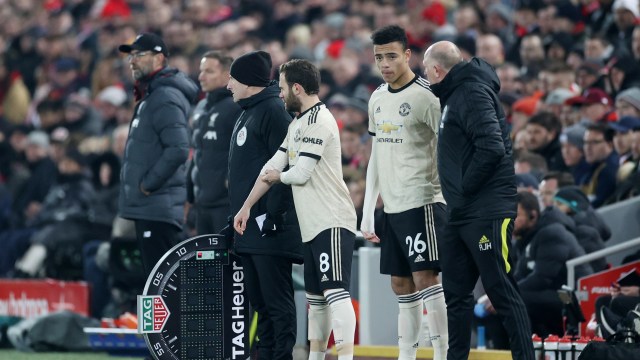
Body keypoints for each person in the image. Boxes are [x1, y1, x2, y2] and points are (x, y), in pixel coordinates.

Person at [234, 59, 357, 360]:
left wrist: (278, 177)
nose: (279, 93)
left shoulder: (321, 121)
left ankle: (346, 357)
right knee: (315, 301)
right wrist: (247, 207)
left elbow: (299, 173)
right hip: (312, 224)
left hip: (333, 219)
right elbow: (271, 166)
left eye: (283, 87)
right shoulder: (297, 124)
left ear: (298, 88)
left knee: (336, 294)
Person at [422, 41, 535, 360]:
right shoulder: (456, 94)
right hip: (461, 213)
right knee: (456, 297)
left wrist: (463, 189)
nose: (424, 77)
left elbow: (492, 147)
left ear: (436, 70)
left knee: (501, 290)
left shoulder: (471, 92)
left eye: (425, 71)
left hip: (485, 210)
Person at [360, 25, 448, 360]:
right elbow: (377, 155)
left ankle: (442, 355)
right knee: (401, 286)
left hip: (423, 201)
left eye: (391, 56)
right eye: (379, 57)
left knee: (426, 278)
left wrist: (446, 196)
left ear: (408, 55)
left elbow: (447, 148)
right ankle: (407, 356)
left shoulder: (426, 96)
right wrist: (369, 208)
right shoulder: (377, 97)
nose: (384, 63)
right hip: (393, 207)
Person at [226, 51, 303, 360]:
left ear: (248, 81)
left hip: (270, 229)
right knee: (259, 302)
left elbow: (285, 169)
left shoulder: (273, 111)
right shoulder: (248, 111)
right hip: (250, 227)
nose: (228, 84)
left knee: (277, 302)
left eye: (233, 77)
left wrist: (273, 216)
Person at [117, 33, 198, 274]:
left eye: (139, 55)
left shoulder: (165, 96)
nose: (132, 60)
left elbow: (179, 148)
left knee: (163, 286)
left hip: (158, 205)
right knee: (158, 282)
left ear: (159, 58)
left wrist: (148, 184)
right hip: (151, 206)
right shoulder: (153, 94)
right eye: (131, 55)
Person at [512, 192, 593, 337]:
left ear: (533, 215)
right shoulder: (524, 238)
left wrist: (509, 293)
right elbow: (519, 274)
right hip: (551, 293)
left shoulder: (552, 232)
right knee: (486, 304)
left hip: (571, 296)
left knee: (518, 299)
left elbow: (543, 278)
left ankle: (527, 352)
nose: (509, 220)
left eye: (515, 215)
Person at [186, 50, 242, 234]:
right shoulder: (202, 108)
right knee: (205, 262)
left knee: (228, 260)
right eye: (201, 71)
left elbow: (242, 154)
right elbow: (197, 154)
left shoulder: (237, 107)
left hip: (225, 205)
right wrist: (189, 194)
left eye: (209, 71)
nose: (201, 76)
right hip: (202, 203)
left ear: (227, 75)